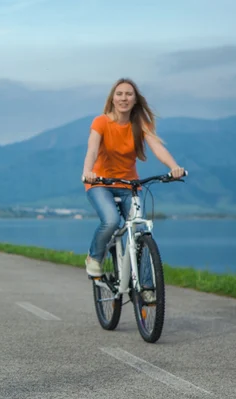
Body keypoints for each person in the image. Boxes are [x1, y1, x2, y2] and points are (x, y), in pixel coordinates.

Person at [81, 78, 185, 279]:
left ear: (135, 100)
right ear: (112, 99)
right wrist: (88, 171)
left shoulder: (140, 124)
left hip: (129, 185)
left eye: (129, 94)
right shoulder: (101, 122)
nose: (124, 98)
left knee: (139, 230)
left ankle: (146, 287)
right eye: (119, 94)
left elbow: (157, 147)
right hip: (100, 183)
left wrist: (174, 167)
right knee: (111, 220)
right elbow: (92, 149)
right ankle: (94, 257)